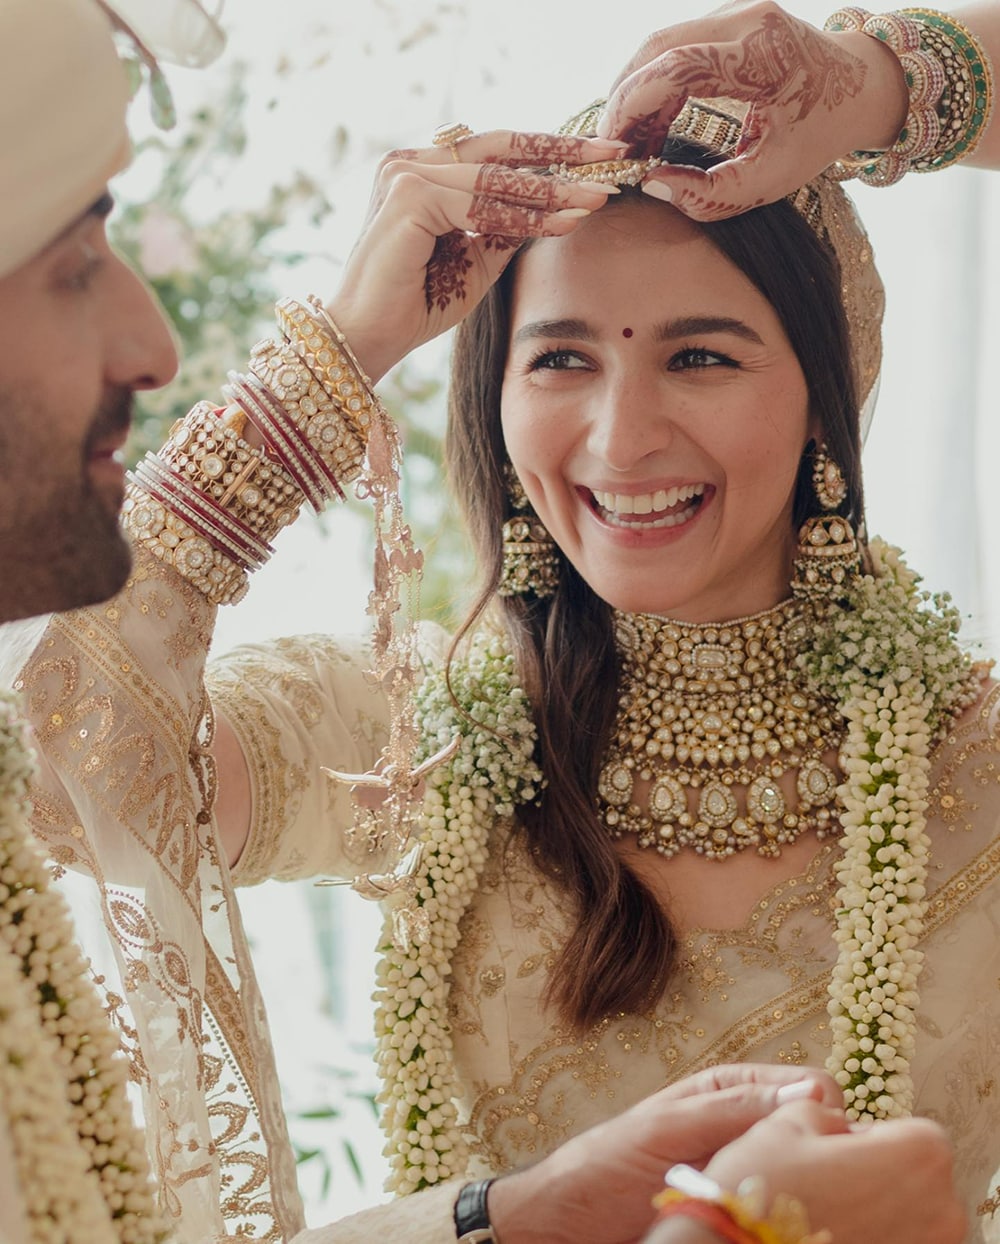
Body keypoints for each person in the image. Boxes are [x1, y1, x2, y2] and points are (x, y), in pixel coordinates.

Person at [0, 3, 984, 1244]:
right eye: (562, 360)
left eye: (701, 358)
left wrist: (877, 78)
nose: (621, 440)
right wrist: (332, 360)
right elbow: (56, 769)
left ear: (824, 402)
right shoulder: (409, 733)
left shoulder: (978, 761)